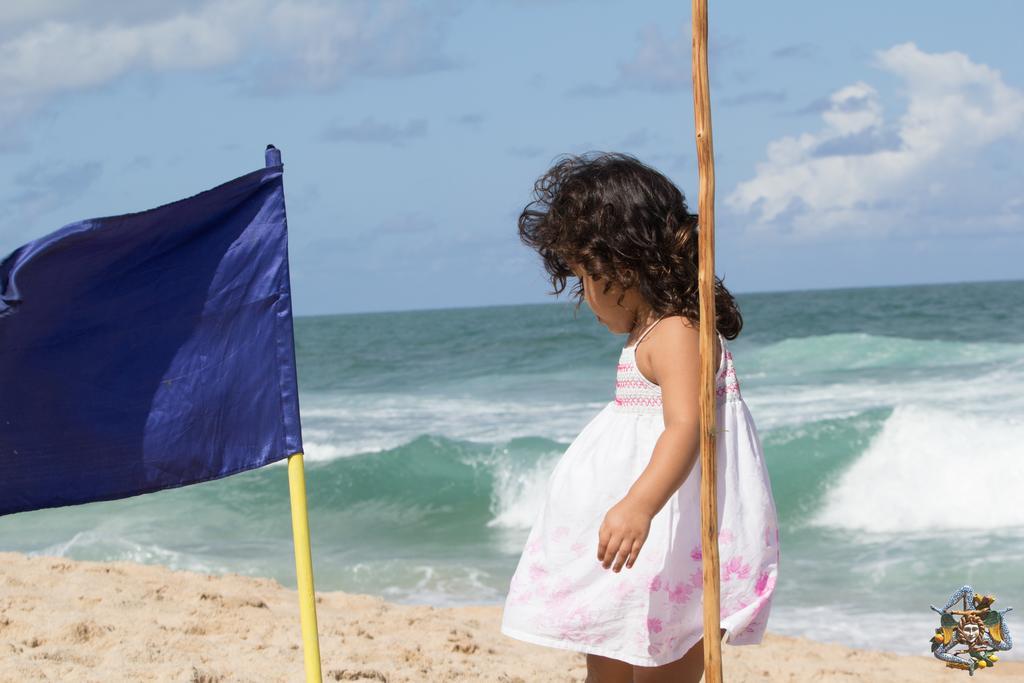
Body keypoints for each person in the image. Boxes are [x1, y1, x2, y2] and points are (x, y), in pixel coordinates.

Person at [499, 152, 780, 682]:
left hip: (664, 529)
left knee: (661, 652)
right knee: (610, 644)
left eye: (586, 280)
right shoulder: (652, 332)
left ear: (622, 269)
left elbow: (688, 425)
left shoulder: (677, 332)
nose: (584, 297)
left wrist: (639, 503)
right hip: (638, 537)